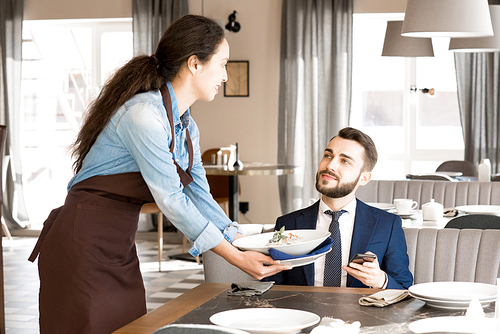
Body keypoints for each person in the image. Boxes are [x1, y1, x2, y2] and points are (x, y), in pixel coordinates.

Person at [28, 15, 289, 334]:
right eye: (221, 64)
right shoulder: (143, 115)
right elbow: (172, 200)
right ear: (195, 63)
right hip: (81, 243)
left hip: (119, 248)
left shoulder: (188, 128)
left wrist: (245, 240)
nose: (224, 74)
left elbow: (198, 196)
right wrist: (236, 257)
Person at [265, 127, 413, 289]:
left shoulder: (387, 225)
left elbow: (403, 288)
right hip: (303, 312)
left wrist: (379, 280)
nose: (330, 165)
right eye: (328, 155)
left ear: (364, 178)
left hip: (361, 313)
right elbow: (270, 288)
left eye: (345, 161)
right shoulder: (288, 224)